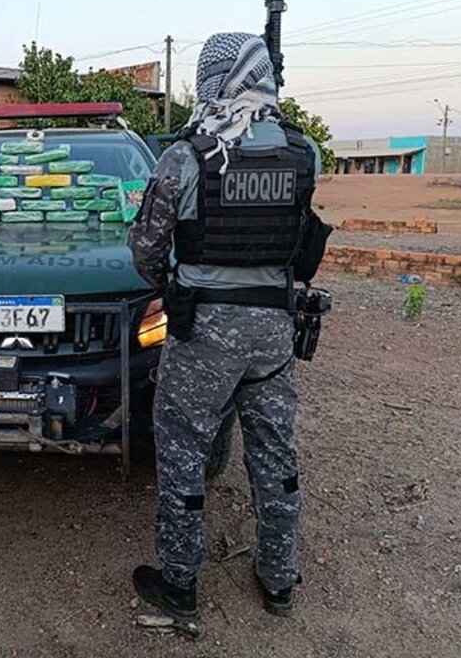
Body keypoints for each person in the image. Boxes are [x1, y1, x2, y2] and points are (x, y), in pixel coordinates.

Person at [128, 32, 321, 620]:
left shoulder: (186, 156)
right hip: (273, 330)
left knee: (185, 448)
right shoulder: (302, 150)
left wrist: (180, 286)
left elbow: (145, 251)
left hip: (203, 331)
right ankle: (279, 579)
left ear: (214, 80)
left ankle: (180, 586)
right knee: (273, 452)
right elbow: (300, 241)